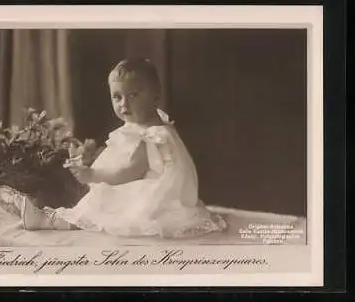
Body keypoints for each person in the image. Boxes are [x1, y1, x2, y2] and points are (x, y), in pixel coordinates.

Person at [19, 57, 227, 239]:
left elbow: (130, 171)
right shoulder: (142, 126)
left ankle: (53, 221)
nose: (123, 104)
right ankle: (54, 215)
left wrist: (93, 175)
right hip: (150, 185)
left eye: (133, 95)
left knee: (105, 201)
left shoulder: (152, 134)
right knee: (100, 196)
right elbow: (122, 161)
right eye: (117, 97)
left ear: (155, 96)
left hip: (156, 194)